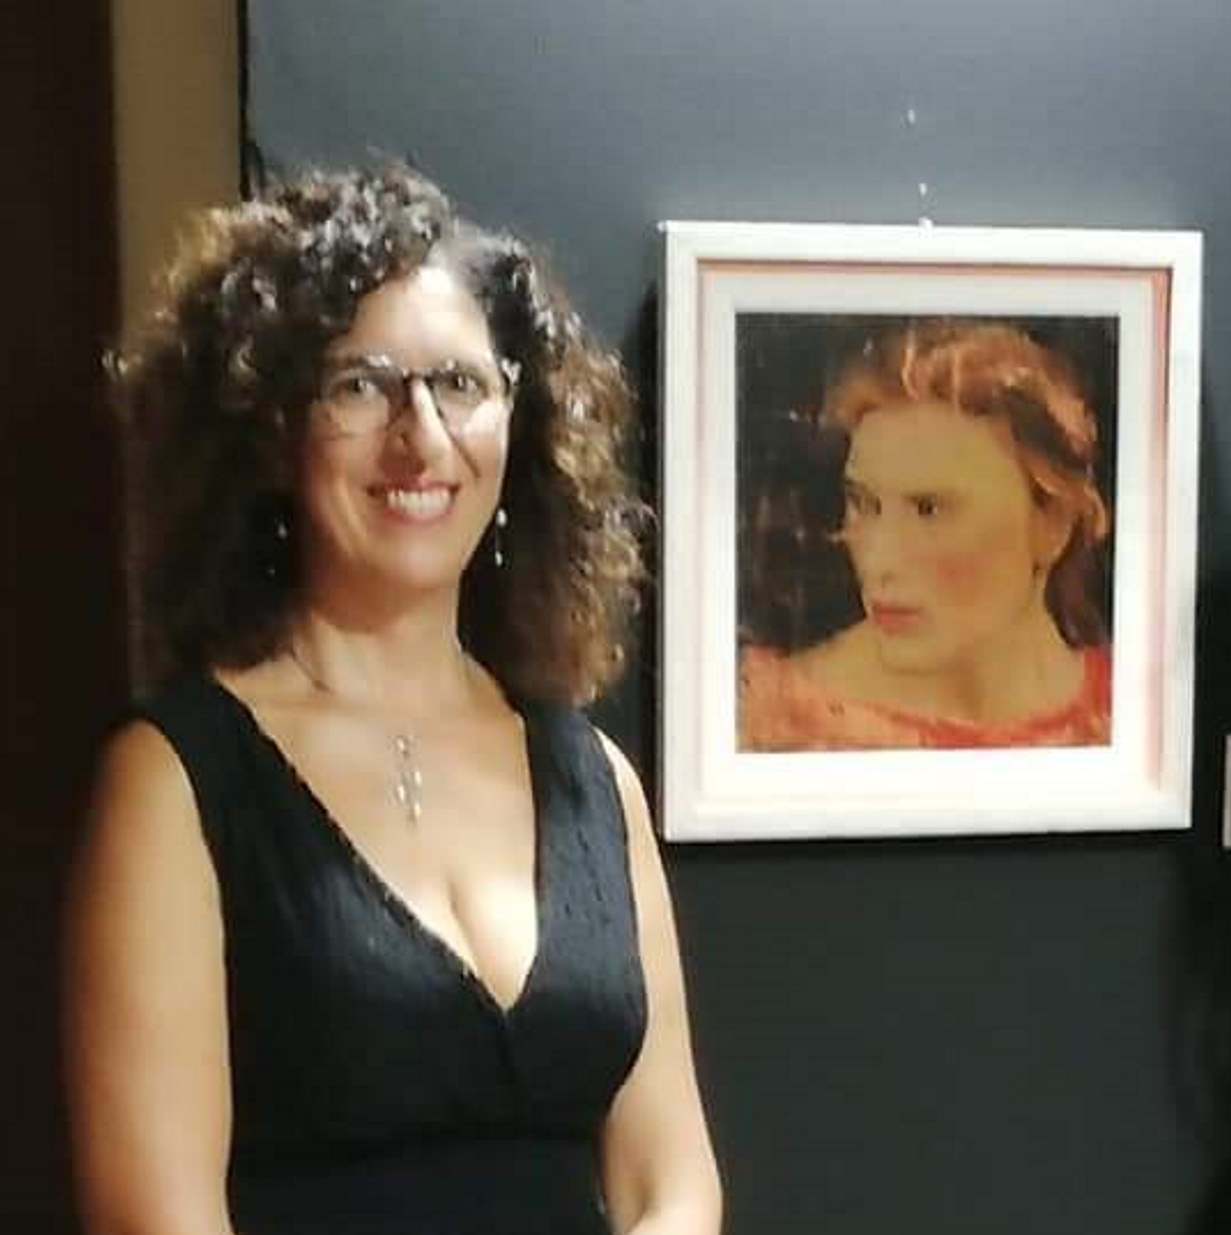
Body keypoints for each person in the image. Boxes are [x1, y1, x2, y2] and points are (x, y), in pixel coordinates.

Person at [63, 165, 721, 1235]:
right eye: (360, 386)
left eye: (459, 384)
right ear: (271, 430)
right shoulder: (175, 779)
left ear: (517, 420)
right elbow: (157, 1218)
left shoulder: (594, 780)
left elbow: (670, 1182)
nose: (420, 436)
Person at [740, 321, 1112, 751]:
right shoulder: (774, 722)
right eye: (864, 504)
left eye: (928, 510)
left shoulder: (1134, 714)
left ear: (1053, 524)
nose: (878, 560)